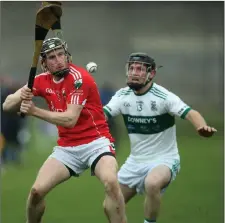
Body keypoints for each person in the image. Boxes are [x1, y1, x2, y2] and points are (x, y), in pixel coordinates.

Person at [2, 37, 127, 223]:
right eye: (52, 57)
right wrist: (22, 96)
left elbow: (69, 119)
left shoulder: (80, 79)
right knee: (36, 192)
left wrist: (34, 111)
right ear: (44, 63)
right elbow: (6, 106)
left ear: (68, 55)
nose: (58, 59)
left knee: (110, 182)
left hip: (96, 142)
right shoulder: (41, 80)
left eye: (61, 54)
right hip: (67, 147)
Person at [103, 52, 217, 223]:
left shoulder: (163, 97)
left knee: (152, 183)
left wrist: (201, 126)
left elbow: (190, 113)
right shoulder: (122, 96)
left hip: (164, 159)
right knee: (109, 205)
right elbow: (101, 115)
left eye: (140, 69)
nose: (134, 72)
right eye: (131, 68)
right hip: (135, 161)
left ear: (151, 74)